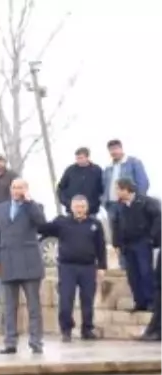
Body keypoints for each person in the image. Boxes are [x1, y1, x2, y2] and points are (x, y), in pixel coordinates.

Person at [0, 178, 48, 354]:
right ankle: (10, 342)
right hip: (8, 262)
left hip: (29, 263)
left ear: (26, 189)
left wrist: (29, 201)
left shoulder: (34, 207)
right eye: (14, 187)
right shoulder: (0, 208)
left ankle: (36, 341)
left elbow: (42, 223)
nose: (16, 190)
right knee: (9, 307)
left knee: (33, 306)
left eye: (20, 187)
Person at [39, 195, 106, 341]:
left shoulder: (94, 224)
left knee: (88, 300)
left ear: (87, 208)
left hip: (88, 267)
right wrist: (34, 208)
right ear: (71, 207)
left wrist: (102, 266)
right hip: (67, 267)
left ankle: (87, 329)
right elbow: (42, 228)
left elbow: (101, 246)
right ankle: (66, 330)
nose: (80, 210)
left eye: (82, 207)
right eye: (77, 207)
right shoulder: (62, 222)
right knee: (66, 300)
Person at [110, 178, 161, 312]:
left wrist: (152, 237)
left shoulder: (145, 202)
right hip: (127, 245)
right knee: (133, 275)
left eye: (118, 189)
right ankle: (140, 302)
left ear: (126, 189)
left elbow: (158, 218)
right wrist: (116, 243)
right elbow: (115, 224)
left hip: (142, 243)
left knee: (145, 272)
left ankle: (151, 302)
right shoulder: (119, 206)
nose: (116, 192)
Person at [103, 139, 150, 220]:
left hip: (128, 203)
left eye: (115, 148)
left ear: (121, 149)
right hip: (111, 205)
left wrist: (138, 201)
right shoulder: (108, 168)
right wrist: (104, 201)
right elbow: (103, 186)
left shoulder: (133, 162)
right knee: (115, 231)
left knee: (129, 229)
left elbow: (143, 183)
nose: (113, 152)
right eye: (111, 150)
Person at [57, 147, 105, 217]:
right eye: (77, 158)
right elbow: (61, 188)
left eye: (81, 158)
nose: (79, 160)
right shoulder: (70, 170)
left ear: (87, 157)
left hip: (91, 212)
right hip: (72, 212)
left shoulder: (96, 170)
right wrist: (68, 203)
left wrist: (95, 203)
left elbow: (101, 189)